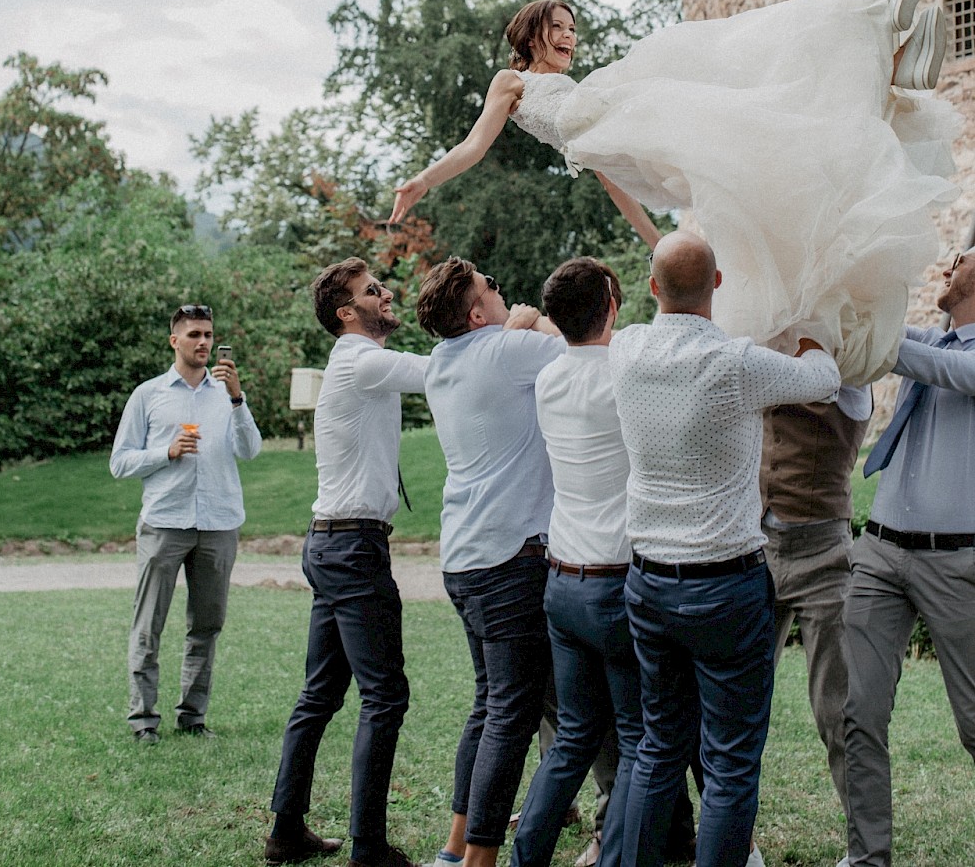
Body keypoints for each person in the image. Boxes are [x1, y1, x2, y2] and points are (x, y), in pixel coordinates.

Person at [390, 0, 957, 384]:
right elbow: (475, 146)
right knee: (737, 115)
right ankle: (880, 64)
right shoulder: (510, 82)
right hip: (637, 149)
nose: (568, 37)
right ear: (530, 32)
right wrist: (423, 180)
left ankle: (873, 27)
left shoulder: (583, 94)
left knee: (723, 75)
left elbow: (609, 170)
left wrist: (664, 241)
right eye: (558, 26)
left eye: (572, 28)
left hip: (627, 123)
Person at [612, 232, 841, 867]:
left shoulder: (626, 349)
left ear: (652, 287)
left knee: (658, 746)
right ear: (718, 286)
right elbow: (823, 379)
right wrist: (811, 330)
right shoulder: (736, 363)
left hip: (648, 582)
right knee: (732, 761)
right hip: (725, 584)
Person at [510, 257, 697, 867]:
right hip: (617, 586)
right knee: (643, 739)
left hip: (561, 580)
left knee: (571, 741)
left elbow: (569, 335)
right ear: (614, 308)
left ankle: (526, 857)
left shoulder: (548, 379)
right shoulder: (628, 373)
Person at [265, 260, 426, 867]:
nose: (386, 295)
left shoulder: (357, 363)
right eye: (372, 291)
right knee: (384, 697)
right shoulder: (360, 360)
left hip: (331, 543)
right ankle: (368, 848)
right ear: (346, 313)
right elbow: (439, 373)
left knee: (320, 695)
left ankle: (286, 832)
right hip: (354, 548)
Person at [416, 256, 564, 867]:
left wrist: (516, 330)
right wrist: (535, 322)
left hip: (464, 556)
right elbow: (586, 347)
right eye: (493, 288)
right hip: (511, 558)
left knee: (489, 703)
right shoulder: (506, 352)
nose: (505, 293)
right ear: (477, 312)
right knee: (512, 712)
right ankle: (479, 860)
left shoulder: (438, 365)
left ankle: (456, 850)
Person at [843, 245, 975, 867]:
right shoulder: (935, 340)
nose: (951, 259)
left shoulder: (955, 358)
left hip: (958, 566)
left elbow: (909, 356)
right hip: (880, 553)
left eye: (964, 257)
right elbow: (886, 339)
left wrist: (872, 333)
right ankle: (870, 860)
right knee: (859, 715)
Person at [110, 303, 262, 741]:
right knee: (149, 624)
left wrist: (237, 399)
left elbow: (250, 450)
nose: (203, 343)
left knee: (207, 625)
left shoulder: (226, 395)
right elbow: (120, 463)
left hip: (219, 523)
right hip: (165, 522)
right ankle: (143, 721)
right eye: (194, 334)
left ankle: (192, 718)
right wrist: (166, 452)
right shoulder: (149, 395)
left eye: (208, 335)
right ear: (174, 340)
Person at [759, 382, 872, 815]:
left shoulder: (852, 376)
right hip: (757, 550)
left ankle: (864, 848)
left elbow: (827, 373)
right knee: (737, 709)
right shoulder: (770, 356)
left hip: (824, 555)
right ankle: (738, 843)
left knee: (839, 711)